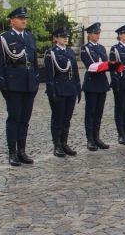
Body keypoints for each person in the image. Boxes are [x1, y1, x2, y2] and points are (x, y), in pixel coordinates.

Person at [0, 7, 39, 166]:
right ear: (12, 21)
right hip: (13, 84)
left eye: (25, 18)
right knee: (14, 118)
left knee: (25, 119)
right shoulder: (3, 38)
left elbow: (33, 61)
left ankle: (22, 151)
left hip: (29, 83)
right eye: (20, 18)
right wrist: (3, 85)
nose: (24, 20)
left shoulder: (30, 37)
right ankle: (12, 152)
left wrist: (36, 79)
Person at [44, 27, 81, 158]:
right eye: (62, 36)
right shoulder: (51, 53)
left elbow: (75, 72)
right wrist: (51, 91)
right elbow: (49, 75)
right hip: (59, 90)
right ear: (55, 38)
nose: (66, 38)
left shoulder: (70, 52)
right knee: (57, 118)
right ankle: (57, 145)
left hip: (70, 89)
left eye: (67, 36)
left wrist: (78, 87)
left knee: (67, 119)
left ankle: (64, 142)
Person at [80, 22, 111, 151]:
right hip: (92, 83)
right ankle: (90, 139)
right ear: (89, 34)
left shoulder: (102, 48)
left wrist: (109, 65)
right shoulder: (85, 48)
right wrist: (106, 65)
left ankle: (97, 138)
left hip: (102, 83)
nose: (98, 35)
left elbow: (105, 62)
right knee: (90, 112)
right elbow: (91, 65)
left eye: (99, 33)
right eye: (95, 33)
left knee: (99, 112)